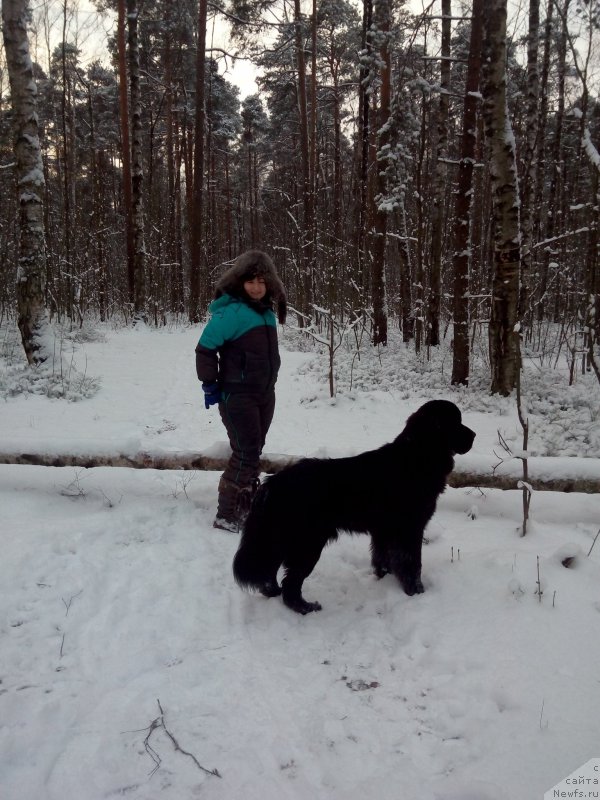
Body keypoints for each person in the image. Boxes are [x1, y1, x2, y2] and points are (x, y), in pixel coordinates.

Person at [195, 250, 287, 531]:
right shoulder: (232, 312)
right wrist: (210, 384)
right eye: (250, 281)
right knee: (246, 452)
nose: (256, 287)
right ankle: (226, 513)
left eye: (261, 280)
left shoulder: (266, 312)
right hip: (238, 395)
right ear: (239, 281)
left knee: (254, 449)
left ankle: (247, 504)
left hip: (263, 393)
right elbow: (205, 349)